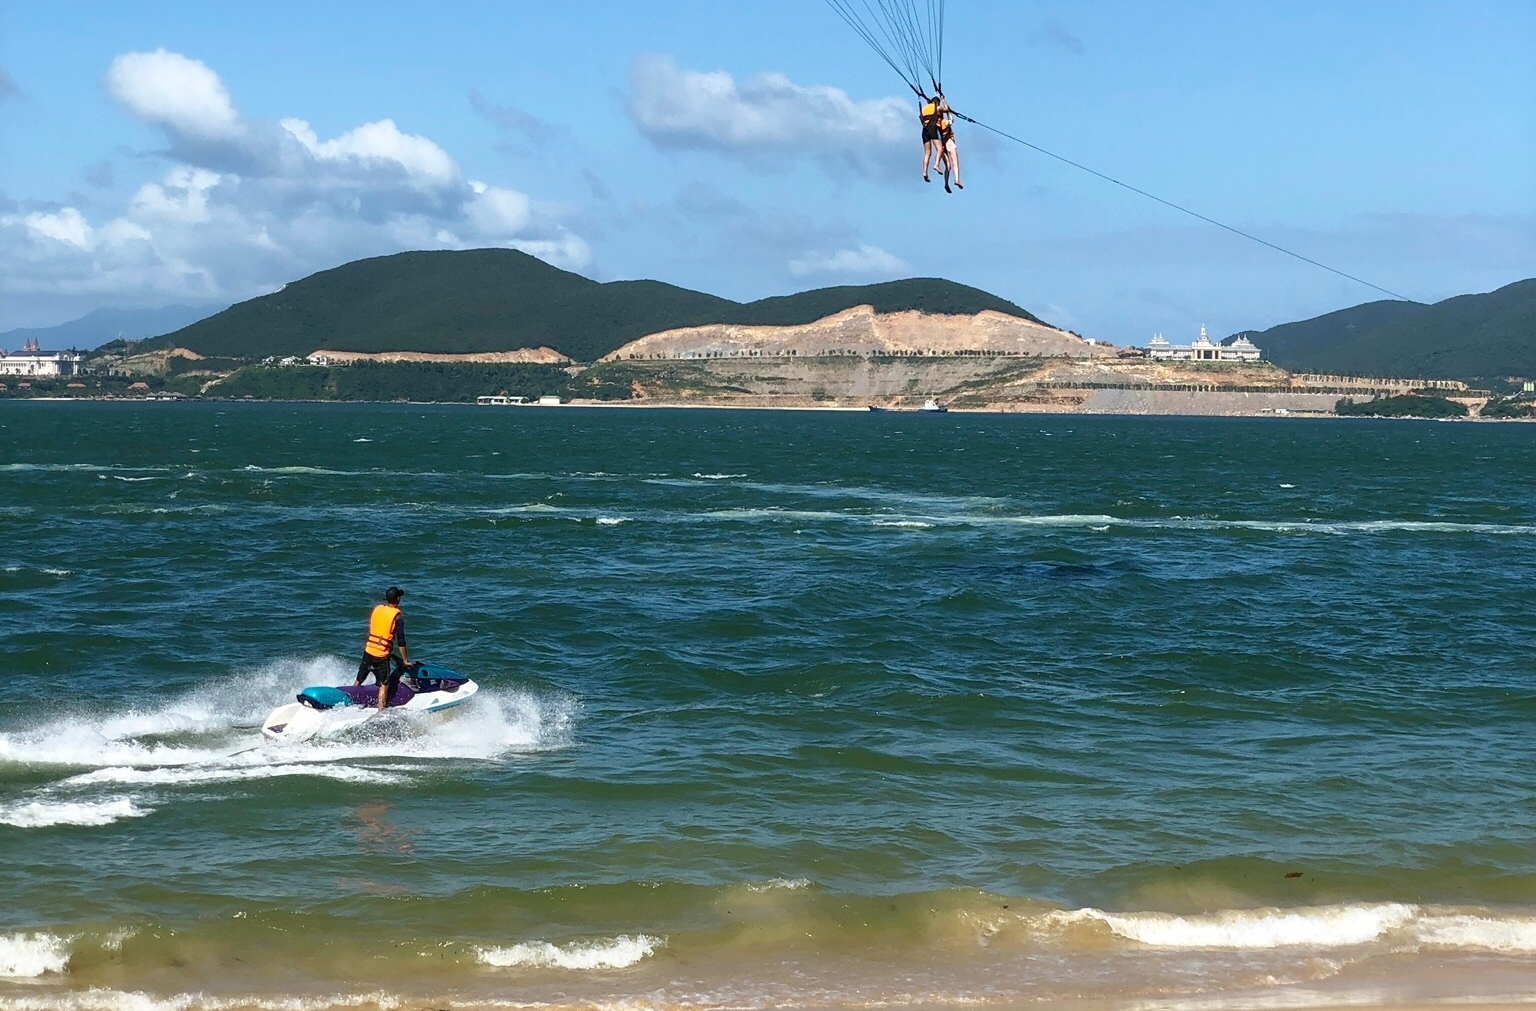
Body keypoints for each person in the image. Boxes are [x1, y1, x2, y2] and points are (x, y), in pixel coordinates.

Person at [355, 586, 410, 711]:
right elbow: (401, 641)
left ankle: (350, 699)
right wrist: (405, 660)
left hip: (369, 650)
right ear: (398, 599)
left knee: (359, 679)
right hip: (381, 655)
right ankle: (380, 712)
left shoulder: (377, 609)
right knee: (384, 684)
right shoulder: (397, 617)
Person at [935, 95, 963, 193]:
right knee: (955, 163)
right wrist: (944, 101)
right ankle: (956, 179)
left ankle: (946, 183)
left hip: (941, 144)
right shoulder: (944, 122)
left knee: (948, 166)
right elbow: (951, 118)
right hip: (949, 142)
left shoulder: (935, 124)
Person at [919, 95, 943, 183]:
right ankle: (936, 164)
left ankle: (925, 172)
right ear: (937, 102)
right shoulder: (937, 107)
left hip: (924, 130)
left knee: (927, 153)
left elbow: (922, 118)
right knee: (940, 149)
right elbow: (946, 109)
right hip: (933, 128)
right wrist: (944, 100)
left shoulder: (924, 109)